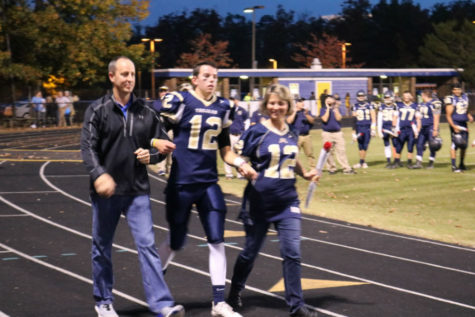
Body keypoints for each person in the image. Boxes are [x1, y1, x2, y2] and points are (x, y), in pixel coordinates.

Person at [80, 56, 184, 317]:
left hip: (137, 190)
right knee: (102, 247)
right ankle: (103, 301)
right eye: (124, 74)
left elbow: (161, 146)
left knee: (147, 246)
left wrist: (156, 155)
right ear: (112, 77)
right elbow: (88, 147)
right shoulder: (98, 110)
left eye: (132, 74)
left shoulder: (146, 112)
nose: (129, 79)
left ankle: (161, 304)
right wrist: (99, 174)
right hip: (107, 192)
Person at [154, 61, 256, 317]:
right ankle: (155, 290)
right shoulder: (180, 101)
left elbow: (225, 151)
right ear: (195, 79)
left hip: (208, 182)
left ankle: (219, 302)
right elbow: (156, 130)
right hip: (182, 183)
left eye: (215, 77)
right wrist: (156, 146)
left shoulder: (223, 107)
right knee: (176, 241)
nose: (212, 80)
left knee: (217, 240)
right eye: (207, 76)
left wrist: (241, 162)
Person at [227, 84, 319, 317]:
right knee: (249, 253)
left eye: (280, 103)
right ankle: (234, 291)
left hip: (288, 201)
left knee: (292, 252)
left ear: (288, 105)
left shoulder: (292, 131)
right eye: (271, 103)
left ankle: (296, 307)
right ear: (265, 105)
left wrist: (304, 173)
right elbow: (238, 157)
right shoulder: (257, 131)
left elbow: (291, 159)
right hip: (259, 203)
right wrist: (243, 168)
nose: (276, 107)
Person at [320, 94, 355, 175]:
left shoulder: (337, 109)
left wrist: (335, 108)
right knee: (328, 152)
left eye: (330, 99)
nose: (329, 100)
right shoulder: (323, 109)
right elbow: (325, 119)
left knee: (341, 151)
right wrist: (328, 109)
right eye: (327, 99)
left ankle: (346, 168)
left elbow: (339, 118)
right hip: (327, 133)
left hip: (338, 133)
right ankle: (332, 169)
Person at [445, 83, 473, 172]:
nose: (457, 91)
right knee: (455, 144)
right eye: (455, 89)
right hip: (455, 123)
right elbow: (448, 115)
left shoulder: (465, 97)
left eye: (458, 89)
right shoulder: (451, 99)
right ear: (452, 90)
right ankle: (453, 166)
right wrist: (453, 126)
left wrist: (469, 116)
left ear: (461, 89)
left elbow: (466, 109)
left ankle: (461, 163)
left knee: (464, 145)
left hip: (464, 123)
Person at [413, 89, 442, 169]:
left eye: (421, 95)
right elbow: (418, 118)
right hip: (423, 127)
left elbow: (436, 117)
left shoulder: (434, 103)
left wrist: (435, 129)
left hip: (431, 126)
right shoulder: (421, 104)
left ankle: (431, 163)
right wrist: (417, 129)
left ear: (424, 95)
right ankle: (418, 163)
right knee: (419, 144)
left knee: (432, 145)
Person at [389, 91, 418, 169]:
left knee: (410, 146)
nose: (406, 97)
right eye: (405, 96)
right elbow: (395, 117)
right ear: (403, 97)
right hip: (401, 129)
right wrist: (393, 127)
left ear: (411, 96)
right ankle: (396, 162)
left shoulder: (415, 105)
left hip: (411, 129)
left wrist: (417, 130)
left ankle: (409, 162)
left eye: (408, 96)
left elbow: (418, 119)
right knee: (399, 146)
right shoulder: (398, 105)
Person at [286, 97, 316, 169]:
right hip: (296, 137)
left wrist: (306, 114)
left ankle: (313, 169)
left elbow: (312, 121)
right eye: (300, 102)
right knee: (294, 154)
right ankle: (291, 169)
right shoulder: (291, 111)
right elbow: (289, 121)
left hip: (306, 136)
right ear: (296, 104)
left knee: (310, 154)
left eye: (303, 101)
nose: (302, 103)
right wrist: (294, 112)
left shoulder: (306, 112)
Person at [224, 97, 249, 179]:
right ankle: (229, 174)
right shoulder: (228, 110)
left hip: (240, 135)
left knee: (240, 155)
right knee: (227, 153)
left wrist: (245, 133)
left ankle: (240, 174)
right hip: (230, 135)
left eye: (234, 99)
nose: (233, 101)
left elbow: (247, 121)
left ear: (237, 100)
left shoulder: (242, 110)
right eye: (231, 100)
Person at [351, 90, 376, 168]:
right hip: (359, 127)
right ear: (357, 97)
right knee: (360, 145)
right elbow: (354, 120)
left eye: (362, 96)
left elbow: (373, 117)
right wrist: (353, 132)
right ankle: (362, 162)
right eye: (359, 96)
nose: (361, 97)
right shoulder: (355, 106)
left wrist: (373, 129)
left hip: (367, 128)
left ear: (364, 96)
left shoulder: (370, 105)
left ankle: (362, 162)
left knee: (365, 145)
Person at [376, 91, 397, 168]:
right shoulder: (381, 106)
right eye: (385, 97)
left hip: (392, 126)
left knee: (395, 144)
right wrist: (379, 130)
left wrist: (396, 128)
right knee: (386, 144)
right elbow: (379, 119)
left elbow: (397, 118)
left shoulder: (395, 106)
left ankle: (396, 160)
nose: (386, 99)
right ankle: (388, 161)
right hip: (384, 127)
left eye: (388, 97)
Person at [155, 85, 171, 176]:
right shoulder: (157, 103)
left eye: (165, 91)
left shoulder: (173, 103)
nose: (163, 92)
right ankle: (161, 168)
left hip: (171, 129)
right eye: (161, 91)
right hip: (161, 129)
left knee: (171, 150)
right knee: (162, 148)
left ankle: (169, 168)